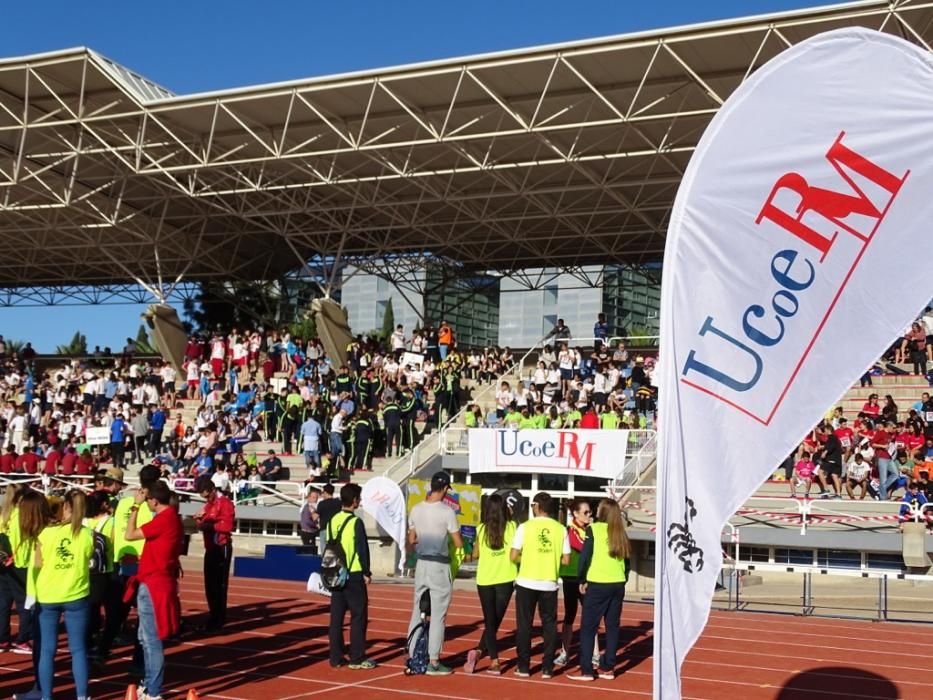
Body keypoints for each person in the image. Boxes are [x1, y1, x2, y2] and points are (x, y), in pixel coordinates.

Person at [29, 490, 94, 700]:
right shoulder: (87, 534)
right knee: (78, 650)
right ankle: (82, 696)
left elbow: (35, 565)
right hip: (76, 595)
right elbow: (87, 560)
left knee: (47, 650)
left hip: (48, 596)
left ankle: (46, 696)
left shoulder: (45, 534)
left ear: (65, 506)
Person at [124, 480, 183, 700]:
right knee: (145, 637)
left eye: (148, 499)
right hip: (156, 580)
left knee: (151, 640)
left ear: (154, 501)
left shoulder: (164, 519)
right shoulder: (171, 518)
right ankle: (149, 684)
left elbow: (129, 534)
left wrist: (135, 507)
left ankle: (154, 689)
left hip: (153, 583)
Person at [568, 499, 631, 682]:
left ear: (602, 512)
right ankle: (608, 668)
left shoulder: (594, 530)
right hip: (617, 584)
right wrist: (622, 579)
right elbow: (627, 562)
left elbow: (585, 557)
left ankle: (587, 669)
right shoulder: (620, 532)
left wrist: (582, 578)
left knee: (588, 628)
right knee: (612, 627)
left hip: (598, 583)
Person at [406, 471, 462, 675]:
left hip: (422, 564)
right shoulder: (447, 512)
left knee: (416, 609)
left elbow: (412, 539)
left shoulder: (416, 508)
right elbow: (458, 542)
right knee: (438, 615)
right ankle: (434, 661)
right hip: (439, 565)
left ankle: (413, 653)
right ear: (446, 488)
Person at [509, 491, 570, 679]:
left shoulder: (524, 527)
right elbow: (566, 560)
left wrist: (527, 557)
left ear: (537, 507)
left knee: (525, 625)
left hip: (526, 581)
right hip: (549, 582)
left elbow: (512, 556)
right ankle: (547, 668)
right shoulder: (560, 529)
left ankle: (524, 667)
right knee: (549, 626)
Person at [463, 493, 516, 675]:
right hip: (505, 578)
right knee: (494, 622)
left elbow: (475, 555)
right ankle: (493, 660)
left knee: (490, 621)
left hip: (485, 580)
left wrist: (464, 551)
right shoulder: (512, 527)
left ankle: (481, 652)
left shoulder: (481, 529)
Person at [327, 483, 376, 669]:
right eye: (359, 498)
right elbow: (361, 549)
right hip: (353, 574)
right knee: (358, 617)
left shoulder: (333, 520)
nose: (360, 501)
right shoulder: (356, 522)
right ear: (354, 500)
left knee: (336, 618)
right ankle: (356, 657)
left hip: (335, 572)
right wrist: (366, 572)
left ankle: (335, 656)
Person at [193, 475, 235, 632]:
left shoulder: (224, 503)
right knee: (209, 585)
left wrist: (209, 526)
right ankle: (214, 615)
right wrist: (198, 521)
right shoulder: (209, 504)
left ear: (212, 490)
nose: (206, 498)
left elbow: (228, 525)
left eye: (207, 495)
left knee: (219, 585)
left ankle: (218, 618)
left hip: (221, 546)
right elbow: (204, 521)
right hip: (211, 547)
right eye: (204, 497)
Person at [556, 498, 593, 668]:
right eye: (585, 512)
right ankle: (565, 652)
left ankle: (594, 654)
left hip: (588, 578)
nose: (589, 515)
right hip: (571, 577)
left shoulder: (590, 530)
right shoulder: (569, 530)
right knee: (570, 615)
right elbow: (581, 546)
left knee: (591, 615)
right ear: (576, 514)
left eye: (590, 512)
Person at [0, 485, 31, 654]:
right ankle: (22, 640)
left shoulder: (4, 513)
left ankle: (3, 640)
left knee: (3, 603)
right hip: (20, 563)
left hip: (3, 564)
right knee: (23, 604)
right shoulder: (21, 515)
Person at [316, 484, 341, 555]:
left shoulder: (321, 504)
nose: (322, 494)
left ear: (326, 492)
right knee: (334, 551)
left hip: (324, 529)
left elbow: (315, 517)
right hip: (335, 530)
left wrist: (312, 511)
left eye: (323, 492)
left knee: (324, 552)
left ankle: (325, 565)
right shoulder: (338, 502)